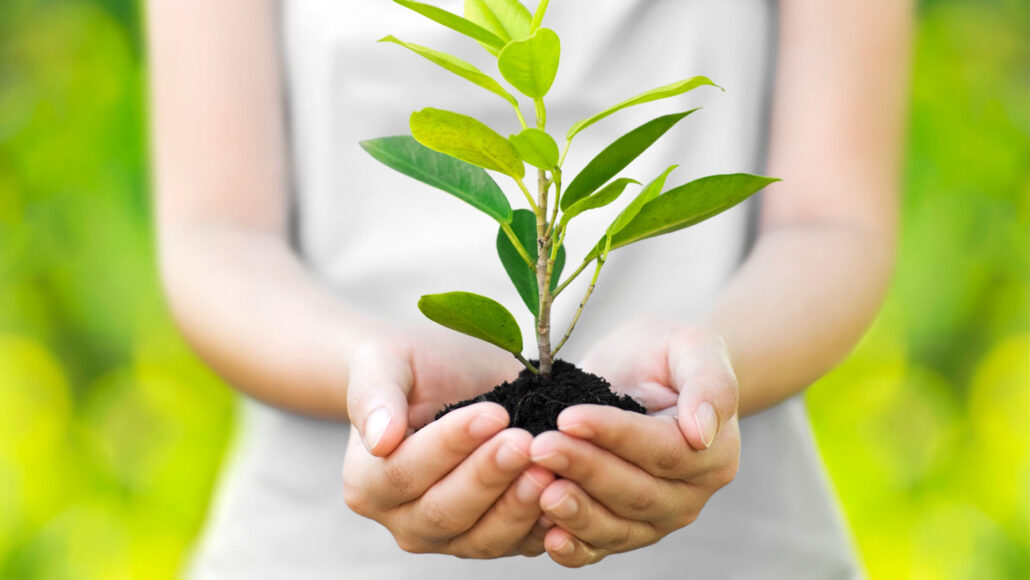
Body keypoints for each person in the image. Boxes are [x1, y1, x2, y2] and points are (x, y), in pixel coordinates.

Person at [147, 0, 912, 577]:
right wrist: (369, 375)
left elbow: (831, 223)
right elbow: (217, 233)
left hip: (736, 539)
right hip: (317, 543)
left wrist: (710, 375)